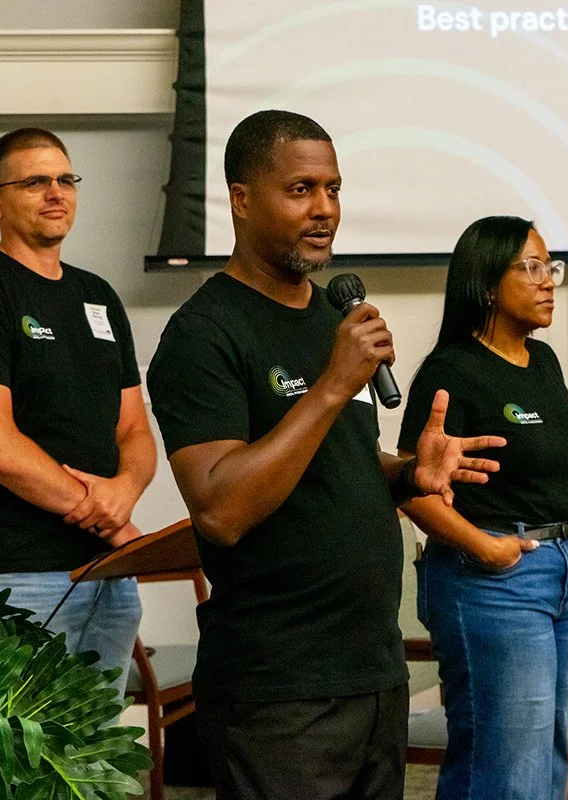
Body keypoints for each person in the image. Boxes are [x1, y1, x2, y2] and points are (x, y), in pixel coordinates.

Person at [146, 110, 503, 800]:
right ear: (241, 198)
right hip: (279, 691)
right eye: (301, 189)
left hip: (371, 669)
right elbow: (220, 510)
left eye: (333, 189)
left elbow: (338, 465)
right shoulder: (204, 334)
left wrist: (408, 473)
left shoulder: (332, 319)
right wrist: (334, 384)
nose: (324, 209)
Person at [0, 128, 155, 696]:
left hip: (110, 573)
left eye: (65, 180)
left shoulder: (99, 296)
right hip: (18, 576)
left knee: (98, 742)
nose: (56, 193)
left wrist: (124, 491)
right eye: (34, 182)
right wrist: (105, 514)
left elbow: (133, 428)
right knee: (19, 745)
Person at [397, 216, 568, 799]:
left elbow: (556, 456)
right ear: (487, 283)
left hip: (566, 572)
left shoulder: (544, 361)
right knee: (504, 762)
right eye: (531, 268)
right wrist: (485, 547)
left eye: (550, 267)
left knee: (546, 755)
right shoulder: (451, 371)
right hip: (494, 580)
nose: (548, 281)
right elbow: (413, 485)